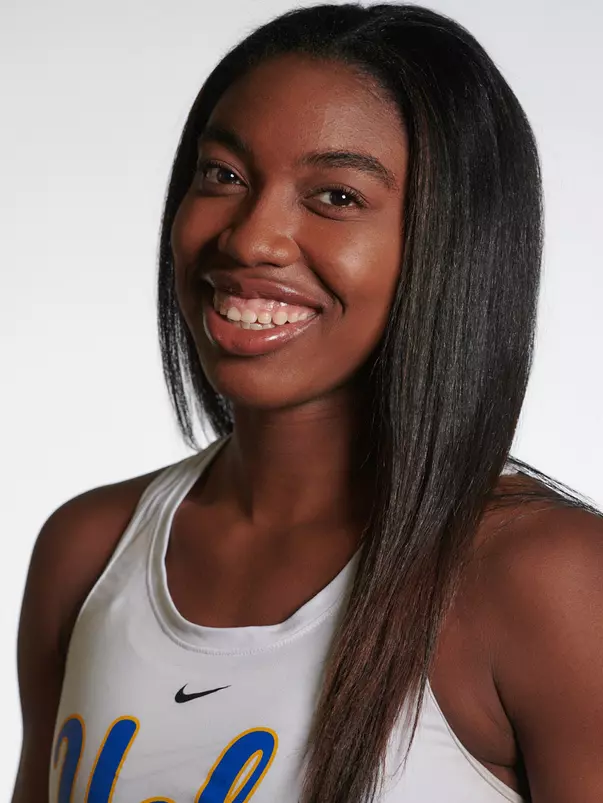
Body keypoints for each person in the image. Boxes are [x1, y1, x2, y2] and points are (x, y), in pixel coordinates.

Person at [12, 4, 603, 802]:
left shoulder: (551, 583)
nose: (252, 238)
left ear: (449, 241)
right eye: (222, 175)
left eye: (335, 195)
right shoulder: (88, 551)